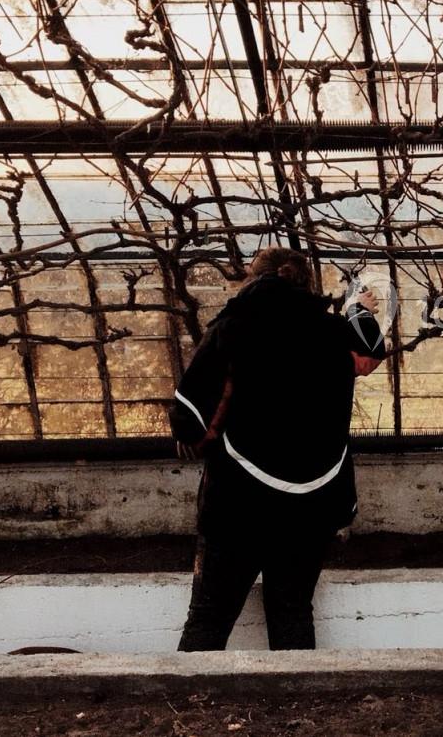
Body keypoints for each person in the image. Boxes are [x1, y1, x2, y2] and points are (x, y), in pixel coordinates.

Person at [168, 247, 386, 651]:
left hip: (239, 503)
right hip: (314, 504)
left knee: (210, 614)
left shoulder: (232, 325)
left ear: (256, 278)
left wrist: (191, 437)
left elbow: (191, 411)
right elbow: (370, 351)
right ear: (305, 282)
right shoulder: (333, 331)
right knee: (292, 610)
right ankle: (297, 707)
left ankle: (189, 704)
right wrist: (357, 308)